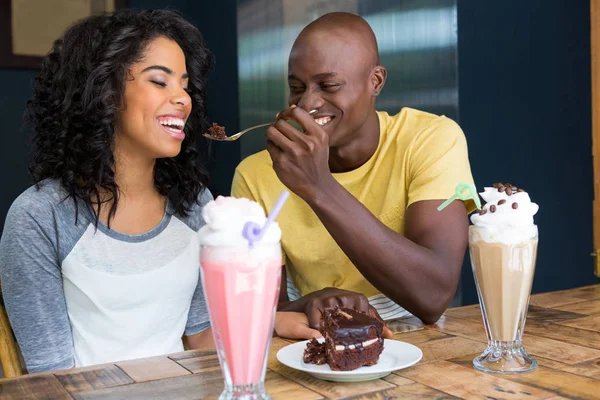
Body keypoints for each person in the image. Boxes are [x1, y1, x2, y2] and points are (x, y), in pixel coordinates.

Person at [0, 9, 219, 373]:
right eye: (160, 81)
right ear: (105, 91)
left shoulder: (194, 204)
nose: (183, 98)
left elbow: (202, 339)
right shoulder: (39, 216)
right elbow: (51, 378)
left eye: (184, 84)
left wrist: (270, 323)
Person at [232, 12, 475, 336]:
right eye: (296, 87)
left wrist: (318, 187)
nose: (306, 104)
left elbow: (433, 295)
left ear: (375, 81)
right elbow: (255, 312)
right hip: (310, 340)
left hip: (417, 341)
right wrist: (314, 300)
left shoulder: (431, 139)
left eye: (328, 85)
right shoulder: (256, 174)